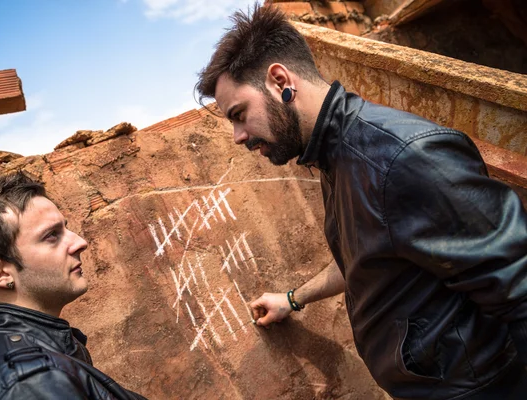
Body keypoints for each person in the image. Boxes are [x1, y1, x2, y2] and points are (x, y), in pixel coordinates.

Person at [195, 4, 527, 399]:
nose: (237, 136)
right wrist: (291, 299)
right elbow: (365, 258)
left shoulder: (400, 158)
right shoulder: (333, 157)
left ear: (280, 80)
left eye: (239, 113)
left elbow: (519, 285)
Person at [0, 173, 146, 400]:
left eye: (65, 229)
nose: (80, 242)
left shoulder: (32, 364)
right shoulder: (29, 382)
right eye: (51, 236)